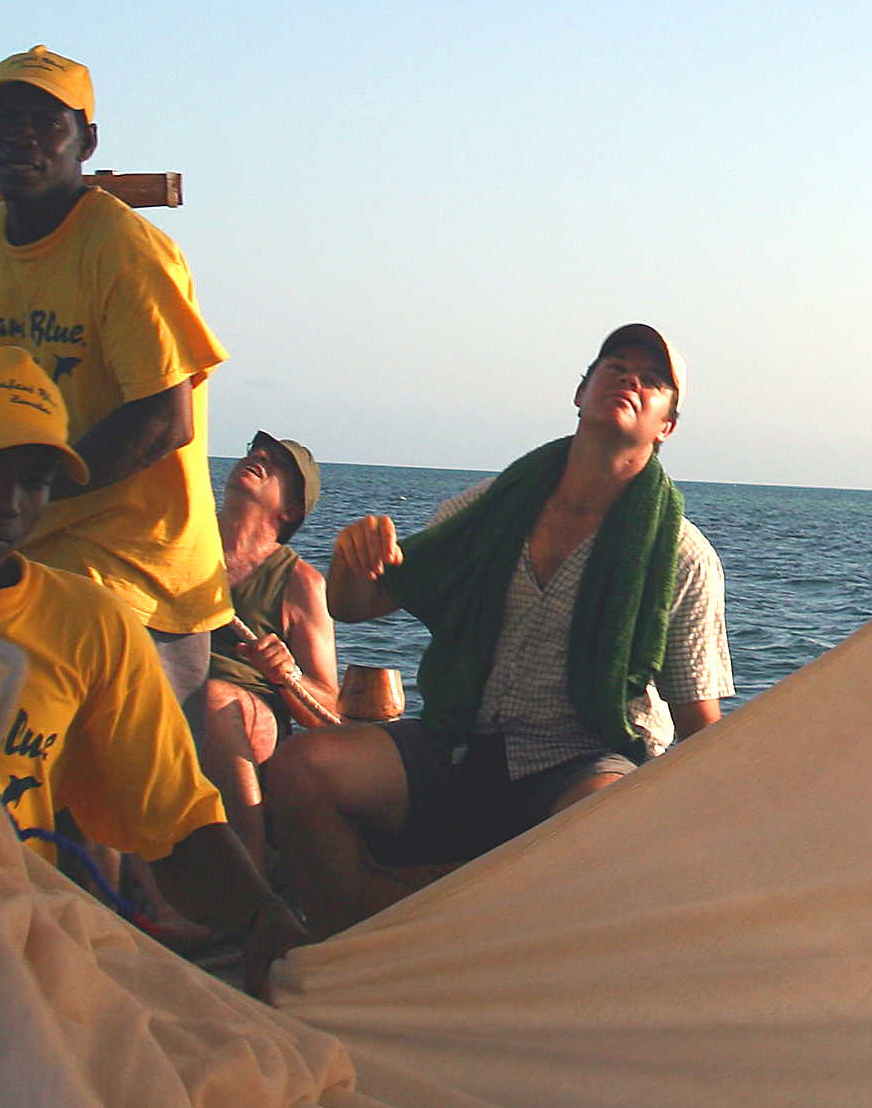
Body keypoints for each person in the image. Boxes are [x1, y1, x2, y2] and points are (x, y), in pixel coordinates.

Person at [265, 325, 734, 934]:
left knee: (600, 822)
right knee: (302, 769)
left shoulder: (684, 557)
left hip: (585, 761)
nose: (629, 380)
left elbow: (698, 725)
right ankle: (347, 951)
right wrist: (351, 560)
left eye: (652, 381)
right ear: (581, 392)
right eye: (614, 365)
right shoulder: (487, 510)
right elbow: (355, 607)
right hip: (463, 746)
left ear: (666, 426)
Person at [0, 347, 309, 996]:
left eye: (34, 476)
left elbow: (177, 823)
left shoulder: (87, 623)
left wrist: (262, 917)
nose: (8, 501)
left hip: (7, 955)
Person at [0, 48, 235, 703]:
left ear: (86, 142)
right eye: (3, 122)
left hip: (133, 568)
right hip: (21, 555)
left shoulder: (124, 251)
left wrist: (25, 492)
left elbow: (164, 418)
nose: (20, 139)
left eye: (46, 122)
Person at [195, 431, 339, 870]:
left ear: (292, 509)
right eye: (257, 451)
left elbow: (330, 709)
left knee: (213, 699)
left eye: (277, 463)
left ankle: (247, 879)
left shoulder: (301, 584)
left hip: (245, 711)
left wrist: (288, 673)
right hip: (161, 690)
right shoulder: (178, 547)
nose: (259, 457)